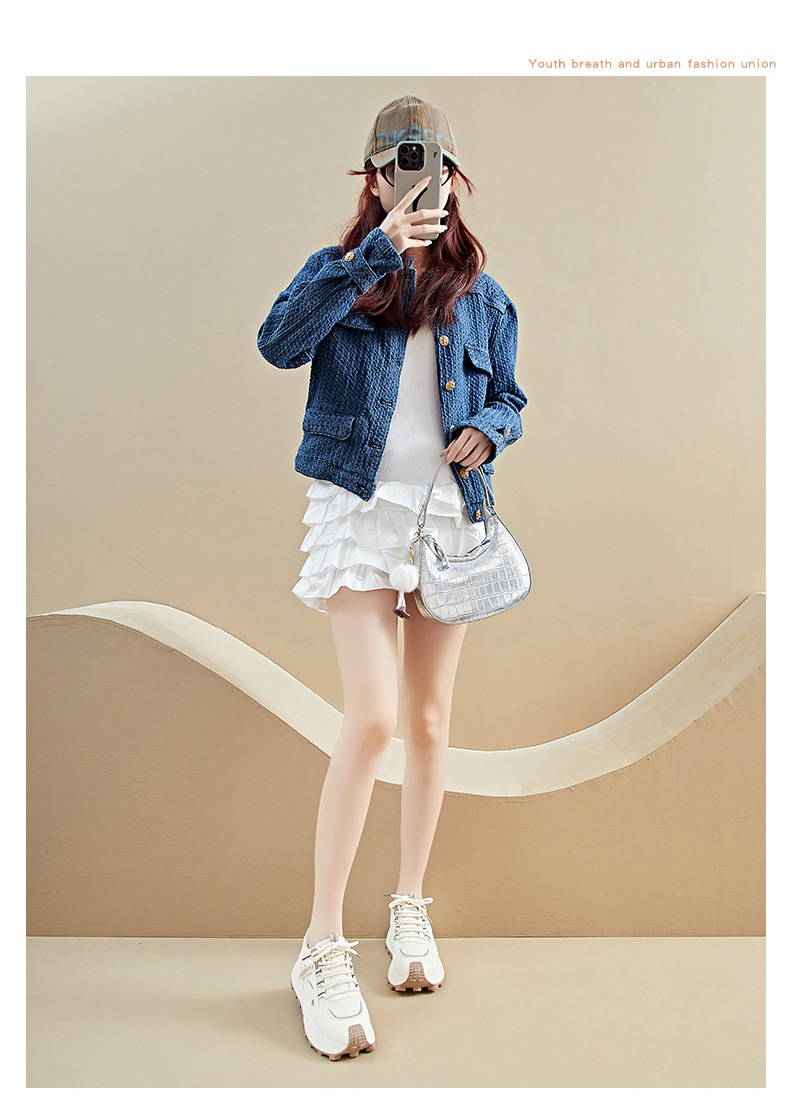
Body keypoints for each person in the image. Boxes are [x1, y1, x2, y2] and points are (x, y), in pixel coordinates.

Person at [256, 95, 527, 1060]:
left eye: (434, 166)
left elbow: (510, 396)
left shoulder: (483, 297)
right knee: (371, 718)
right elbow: (278, 342)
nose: (419, 181)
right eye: (400, 166)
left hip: (449, 515)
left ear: (453, 179)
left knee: (430, 723)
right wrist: (374, 256)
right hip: (361, 513)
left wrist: (488, 428)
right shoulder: (340, 274)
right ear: (374, 180)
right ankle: (320, 944)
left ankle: (408, 906)